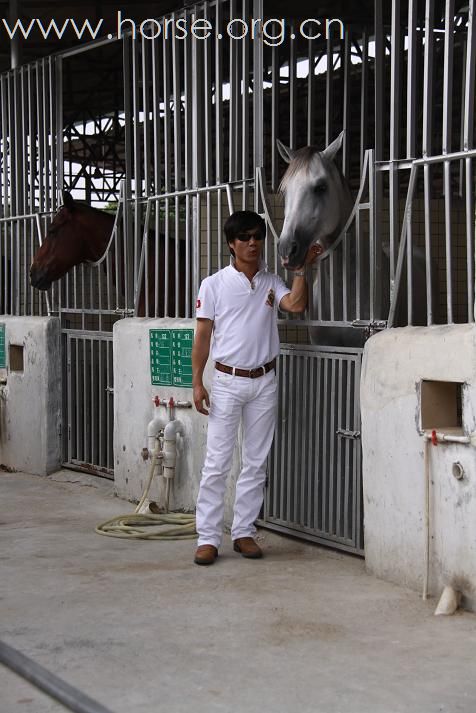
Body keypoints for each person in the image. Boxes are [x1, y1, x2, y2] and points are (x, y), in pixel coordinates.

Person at [191, 210, 321, 565]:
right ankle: (207, 537)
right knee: (217, 462)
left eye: (257, 237)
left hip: (264, 380)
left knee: (256, 462)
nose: (253, 243)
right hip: (228, 381)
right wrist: (197, 382)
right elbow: (202, 336)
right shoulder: (213, 284)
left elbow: (294, 304)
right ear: (231, 244)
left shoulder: (270, 281)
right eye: (245, 238)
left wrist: (300, 271)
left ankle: (244, 532)